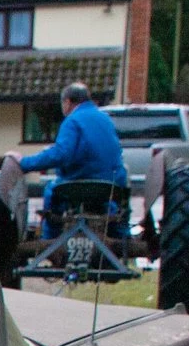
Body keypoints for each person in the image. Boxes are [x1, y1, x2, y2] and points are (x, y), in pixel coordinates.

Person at [17, 81, 127, 237]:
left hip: (80, 185)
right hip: (111, 186)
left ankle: (50, 242)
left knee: (51, 190)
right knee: (113, 207)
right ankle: (119, 237)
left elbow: (61, 154)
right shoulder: (106, 119)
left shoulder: (72, 121)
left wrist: (24, 163)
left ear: (67, 102)